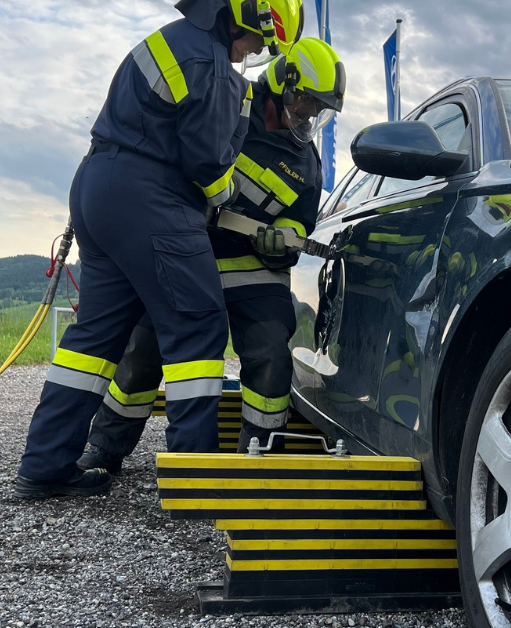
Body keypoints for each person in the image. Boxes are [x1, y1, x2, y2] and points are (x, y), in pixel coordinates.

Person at [15, 0, 304, 499]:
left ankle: (46, 465)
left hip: (99, 184)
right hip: (152, 198)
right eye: (262, 39)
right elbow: (207, 164)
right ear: (247, 14)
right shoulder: (214, 66)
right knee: (197, 324)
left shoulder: (172, 40)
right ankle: (195, 477)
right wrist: (223, 203)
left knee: (94, 338)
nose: (259, 52)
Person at [78, 37, 345, 472]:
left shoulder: (307, 165)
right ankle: (106, 449)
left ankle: (260, 456)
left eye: (317, 109)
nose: (308, 115)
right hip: (183, 255)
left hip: (251, 269)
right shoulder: (227, 104)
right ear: (283, 86)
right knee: (142, 352)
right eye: (305, 104)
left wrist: (285, 237)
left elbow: (302, 223)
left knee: (269, 354)